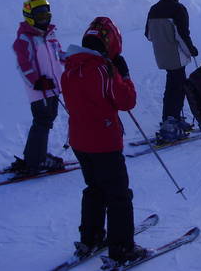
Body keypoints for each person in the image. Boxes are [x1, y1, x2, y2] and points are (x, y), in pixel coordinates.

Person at [61, 16, 147, 267]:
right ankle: (122, 249)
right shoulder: (101, 69)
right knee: (118, 195)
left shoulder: (70, 66)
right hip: (104, 140)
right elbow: (126, 101)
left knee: (94, 189)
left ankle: (91, 237)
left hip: (79, 139)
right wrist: (125, 75)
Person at [11, 0, 65, 175]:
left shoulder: (50, 35)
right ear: (29, 16)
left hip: (53, 87)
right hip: (39, 90)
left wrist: (74, 58)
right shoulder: (25, 39)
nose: (44, 17)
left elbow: (59, 55)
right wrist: (36, 81)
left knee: (47, 119)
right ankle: (36, 160)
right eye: (39, 14)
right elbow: (23, 65)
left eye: (46, 13)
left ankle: (34, 155)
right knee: (42, 121)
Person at [145, 0, 199, 142]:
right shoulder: (178, 9)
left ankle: (171, 118)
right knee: (177, 87)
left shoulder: (154, 9)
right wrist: (191, 50)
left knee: (173, 85)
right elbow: (183, 34)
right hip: (176, 55)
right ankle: (170, 123)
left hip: (161, 55)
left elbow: (148, 34)